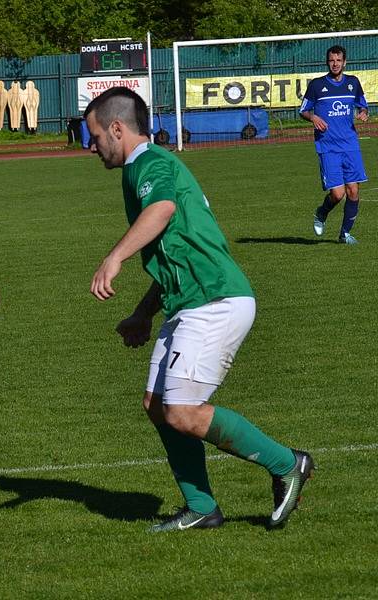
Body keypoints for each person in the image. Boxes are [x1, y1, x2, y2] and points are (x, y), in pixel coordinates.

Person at [83, 87, 314, 532]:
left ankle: (288, 464)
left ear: (117, 128)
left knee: (182, 412)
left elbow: (163, 210)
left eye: (95, 136)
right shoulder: (142, 170)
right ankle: (201, 506)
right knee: (156, 404)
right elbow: (175, 252)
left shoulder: (149, 165)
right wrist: (144, 313)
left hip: (215, 301)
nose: (91, 146)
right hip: (190, 302)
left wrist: (115, 257)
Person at [300, 45, 369, 244]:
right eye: (332, 60)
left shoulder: (353, 83)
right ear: (327, 62)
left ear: (344, 62)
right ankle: (321, 213)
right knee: (338, 195)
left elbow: (363, 105)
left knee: (354, 191)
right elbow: (303, 110)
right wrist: (313, 118)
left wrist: (363, 112)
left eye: (339, 60)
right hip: (328, 146)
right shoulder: (316, 85)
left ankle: (345, 234)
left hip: (350, 145)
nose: (335, 64)